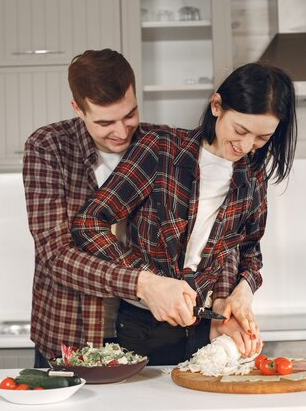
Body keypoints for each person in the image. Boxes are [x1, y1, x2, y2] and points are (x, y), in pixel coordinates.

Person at [22, 49, 253, 367]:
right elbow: (56, 254)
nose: (121, 131)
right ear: (78, 108)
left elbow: (215, 232)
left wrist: (223, 299)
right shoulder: (49, 147)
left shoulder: (164, 145)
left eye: (129, 115)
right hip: (72, 333)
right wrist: (145, 284)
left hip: (156, 336)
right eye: (105, 122)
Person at [71, 62, 297, 365]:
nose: (246, 146)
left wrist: (241, 292)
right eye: (240, 130)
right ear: (217, 106)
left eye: (262, 138)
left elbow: (246, 247)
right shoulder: (161, 149)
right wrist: (148, 281)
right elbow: (89, 223)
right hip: (145, 326)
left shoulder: (253, 173)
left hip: (211, 326)